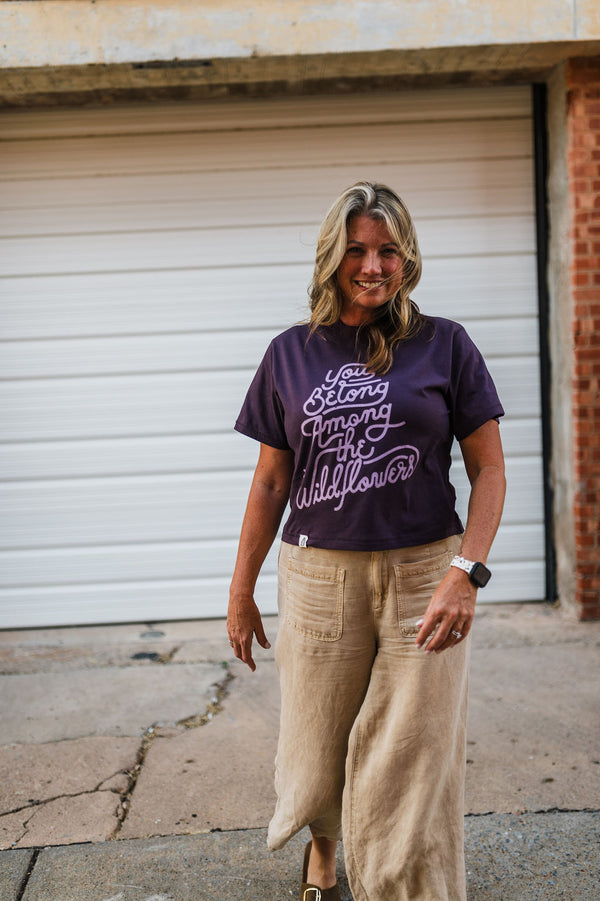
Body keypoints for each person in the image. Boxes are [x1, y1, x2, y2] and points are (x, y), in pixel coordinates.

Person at [227, 181, 506, 901]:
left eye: (388, 249)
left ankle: (406, 883)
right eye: (357, 249)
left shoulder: (446, 344)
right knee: (318, 741)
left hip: (425, 570)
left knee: (410, 749)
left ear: (407, 257)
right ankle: (324, 851)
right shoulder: (292, 352)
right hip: (319, 570)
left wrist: (465, 570)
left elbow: (490, 467)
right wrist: (240, 590)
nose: (373, 265)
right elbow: (268, 484)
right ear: (332, 257)